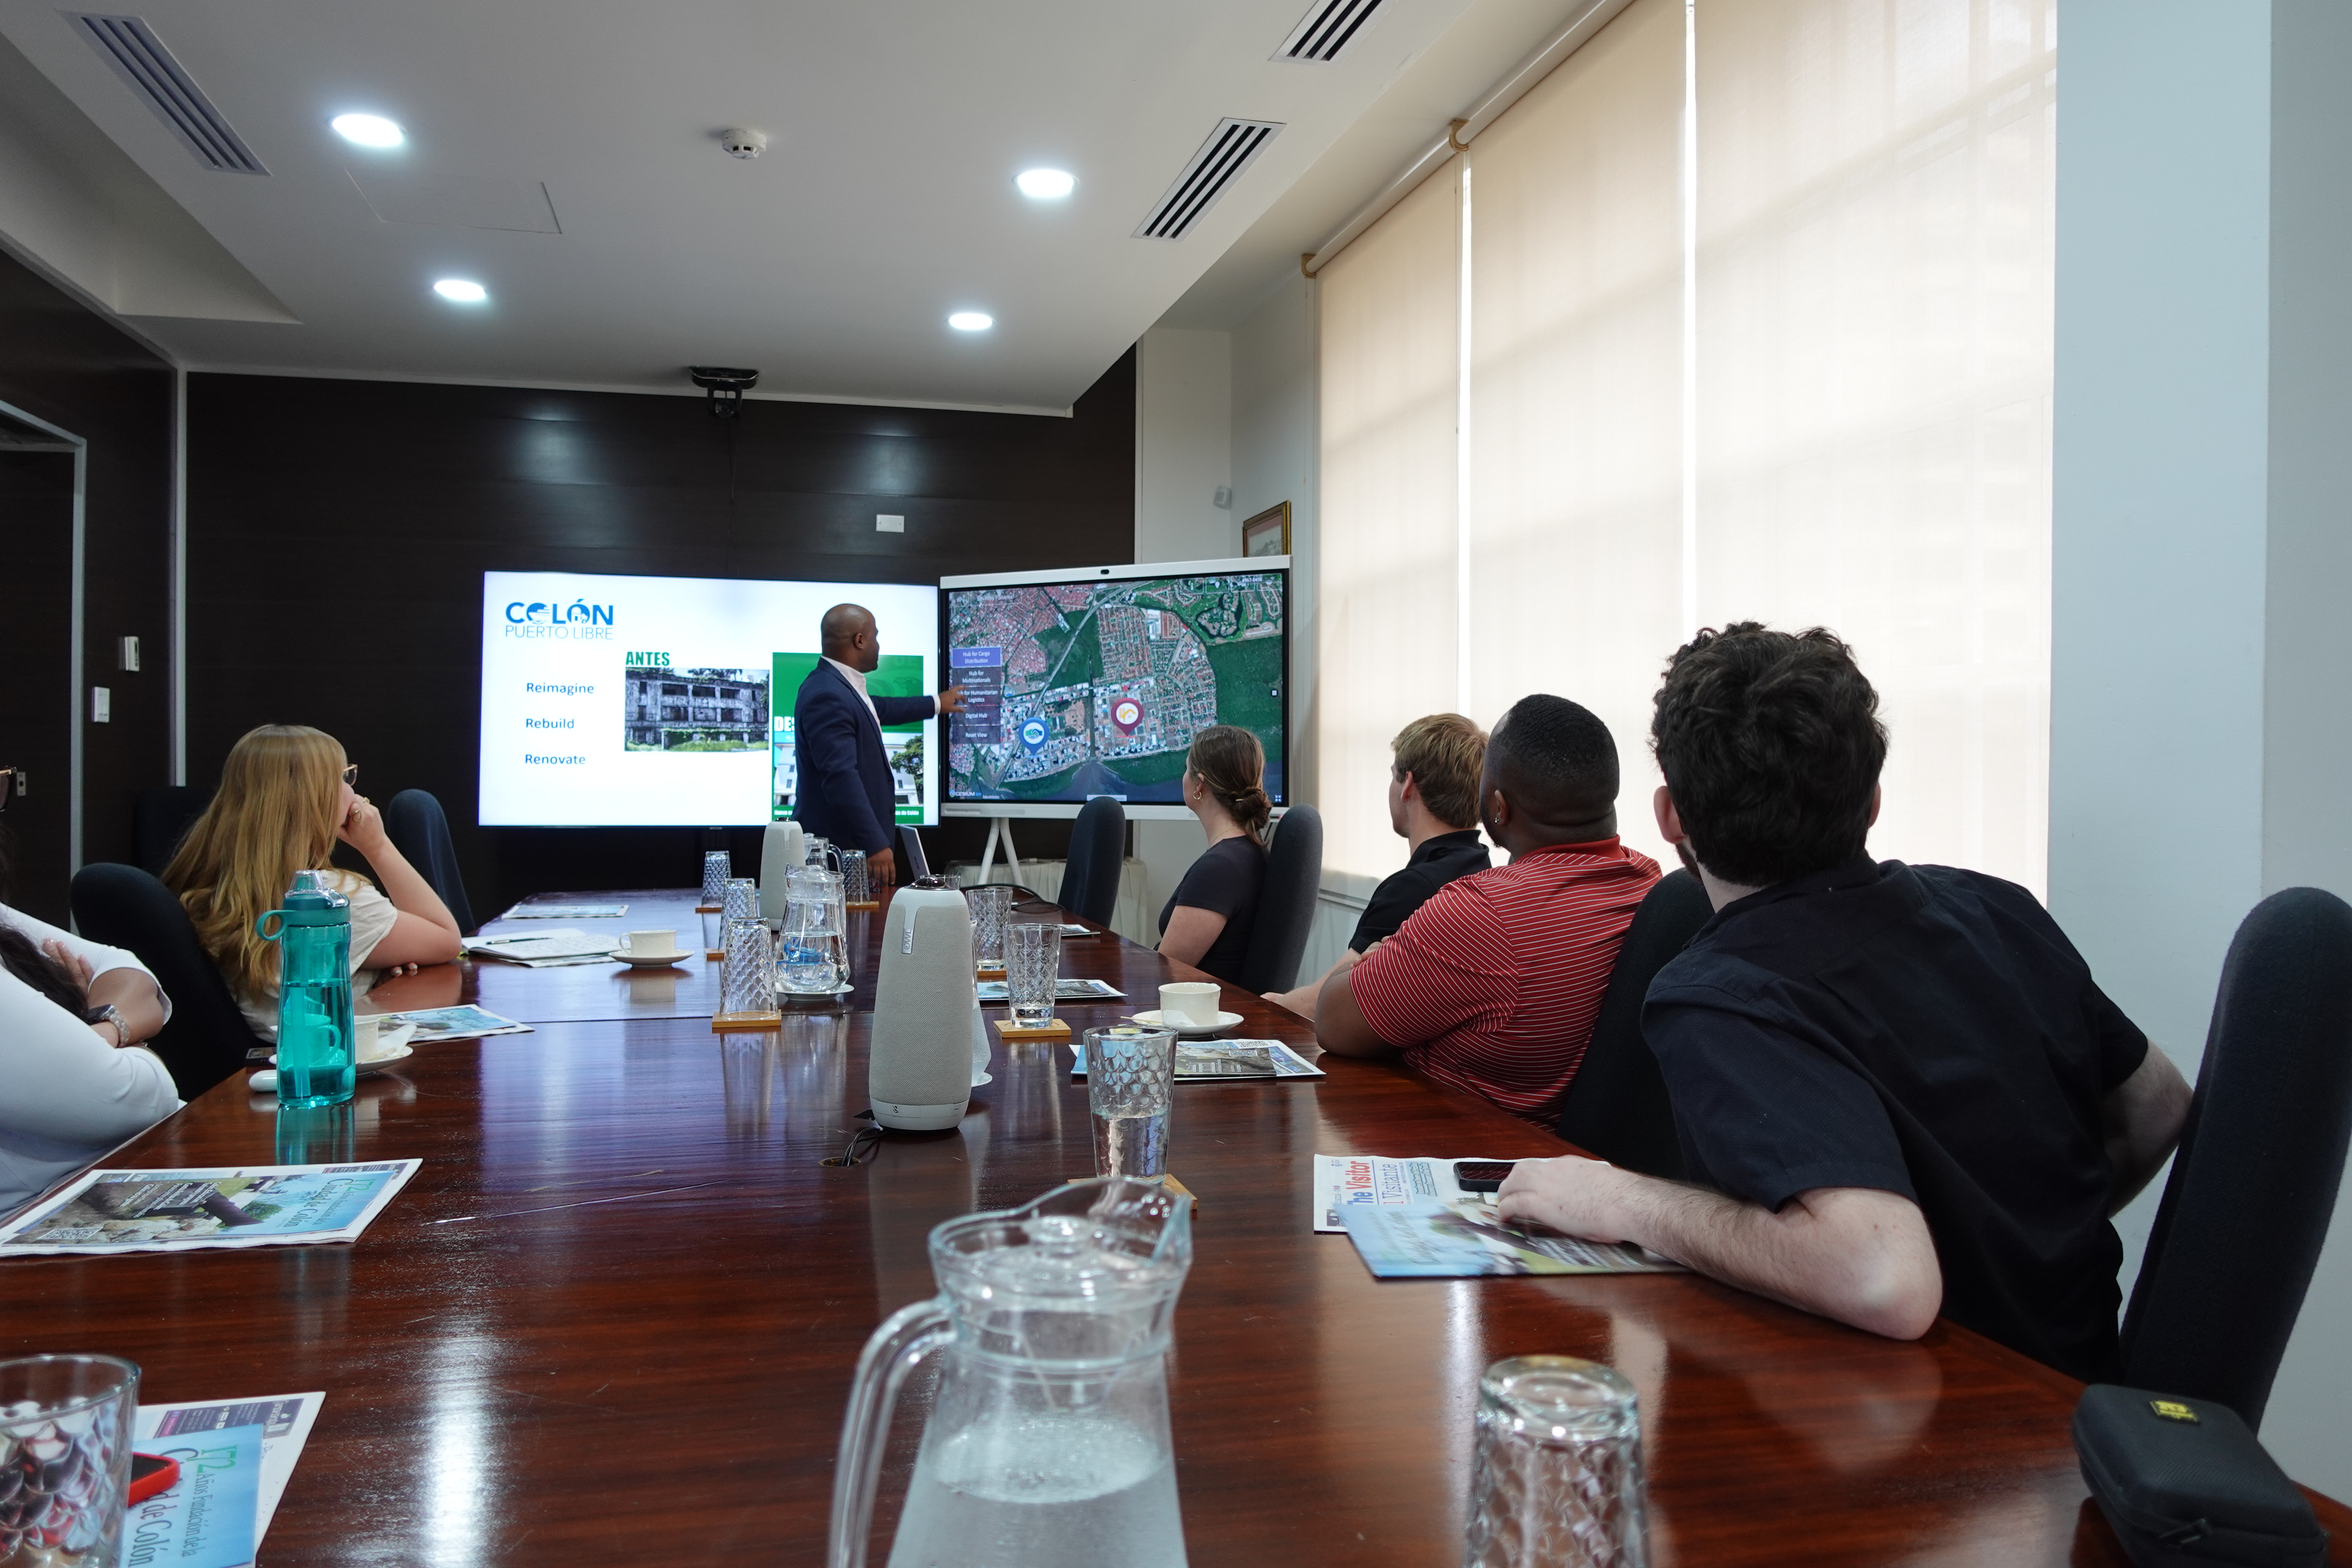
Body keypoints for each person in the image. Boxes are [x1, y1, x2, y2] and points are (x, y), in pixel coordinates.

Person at [1496, 624, 2192, 1381]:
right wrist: (2019, 1239)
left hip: (1948, 1415)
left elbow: (1882, 1280)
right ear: (1871, 800)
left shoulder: (1721, 994)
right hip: (2083, 1399)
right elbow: (2158, 1104)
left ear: (1671, 818)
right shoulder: (1999, 906)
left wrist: (1625, 1202)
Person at [1313, 695, 1660, 1124]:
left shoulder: (1482, 914)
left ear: (1499, 807)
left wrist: (1376, 958)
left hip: (1451, 1140)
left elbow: (1332, 1022)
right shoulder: (1649, 882)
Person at [164, 725, 464, 1038]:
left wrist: (370, 967)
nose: (353, 790)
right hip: (327, 1056)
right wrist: (378, 847)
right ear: (317, 799)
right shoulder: (329, 900)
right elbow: (446, 939)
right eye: (344, 778)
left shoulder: (200, 888)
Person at [0, 767, 179, 1216]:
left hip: (108, 1173)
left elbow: (126, 969)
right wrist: (132, 1043)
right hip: (46, 1209)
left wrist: (101, 1030)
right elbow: (139, 1096)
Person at [1265, 713, 1491, 1015]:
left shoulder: (1411, 890)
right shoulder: (1484, 867)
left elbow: (1322, 1005)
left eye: (1393, 775)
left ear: (1407, 785)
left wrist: (1270, 1007)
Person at [790, 604, 966, 888]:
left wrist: (937, 703)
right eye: (876, 636)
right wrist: (873, 843)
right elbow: (840, 777)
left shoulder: (833, 685)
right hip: (842, 859)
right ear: (860, 641)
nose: (878, 645)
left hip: (848, 853)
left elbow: (877, 709)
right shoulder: (828, 694)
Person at [1156, 726, 1272, 985]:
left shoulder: (1220, 869)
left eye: (1186, 768)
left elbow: (1165, 974)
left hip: (1198, 1007)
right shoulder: (1248, 853)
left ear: (1199, 785)